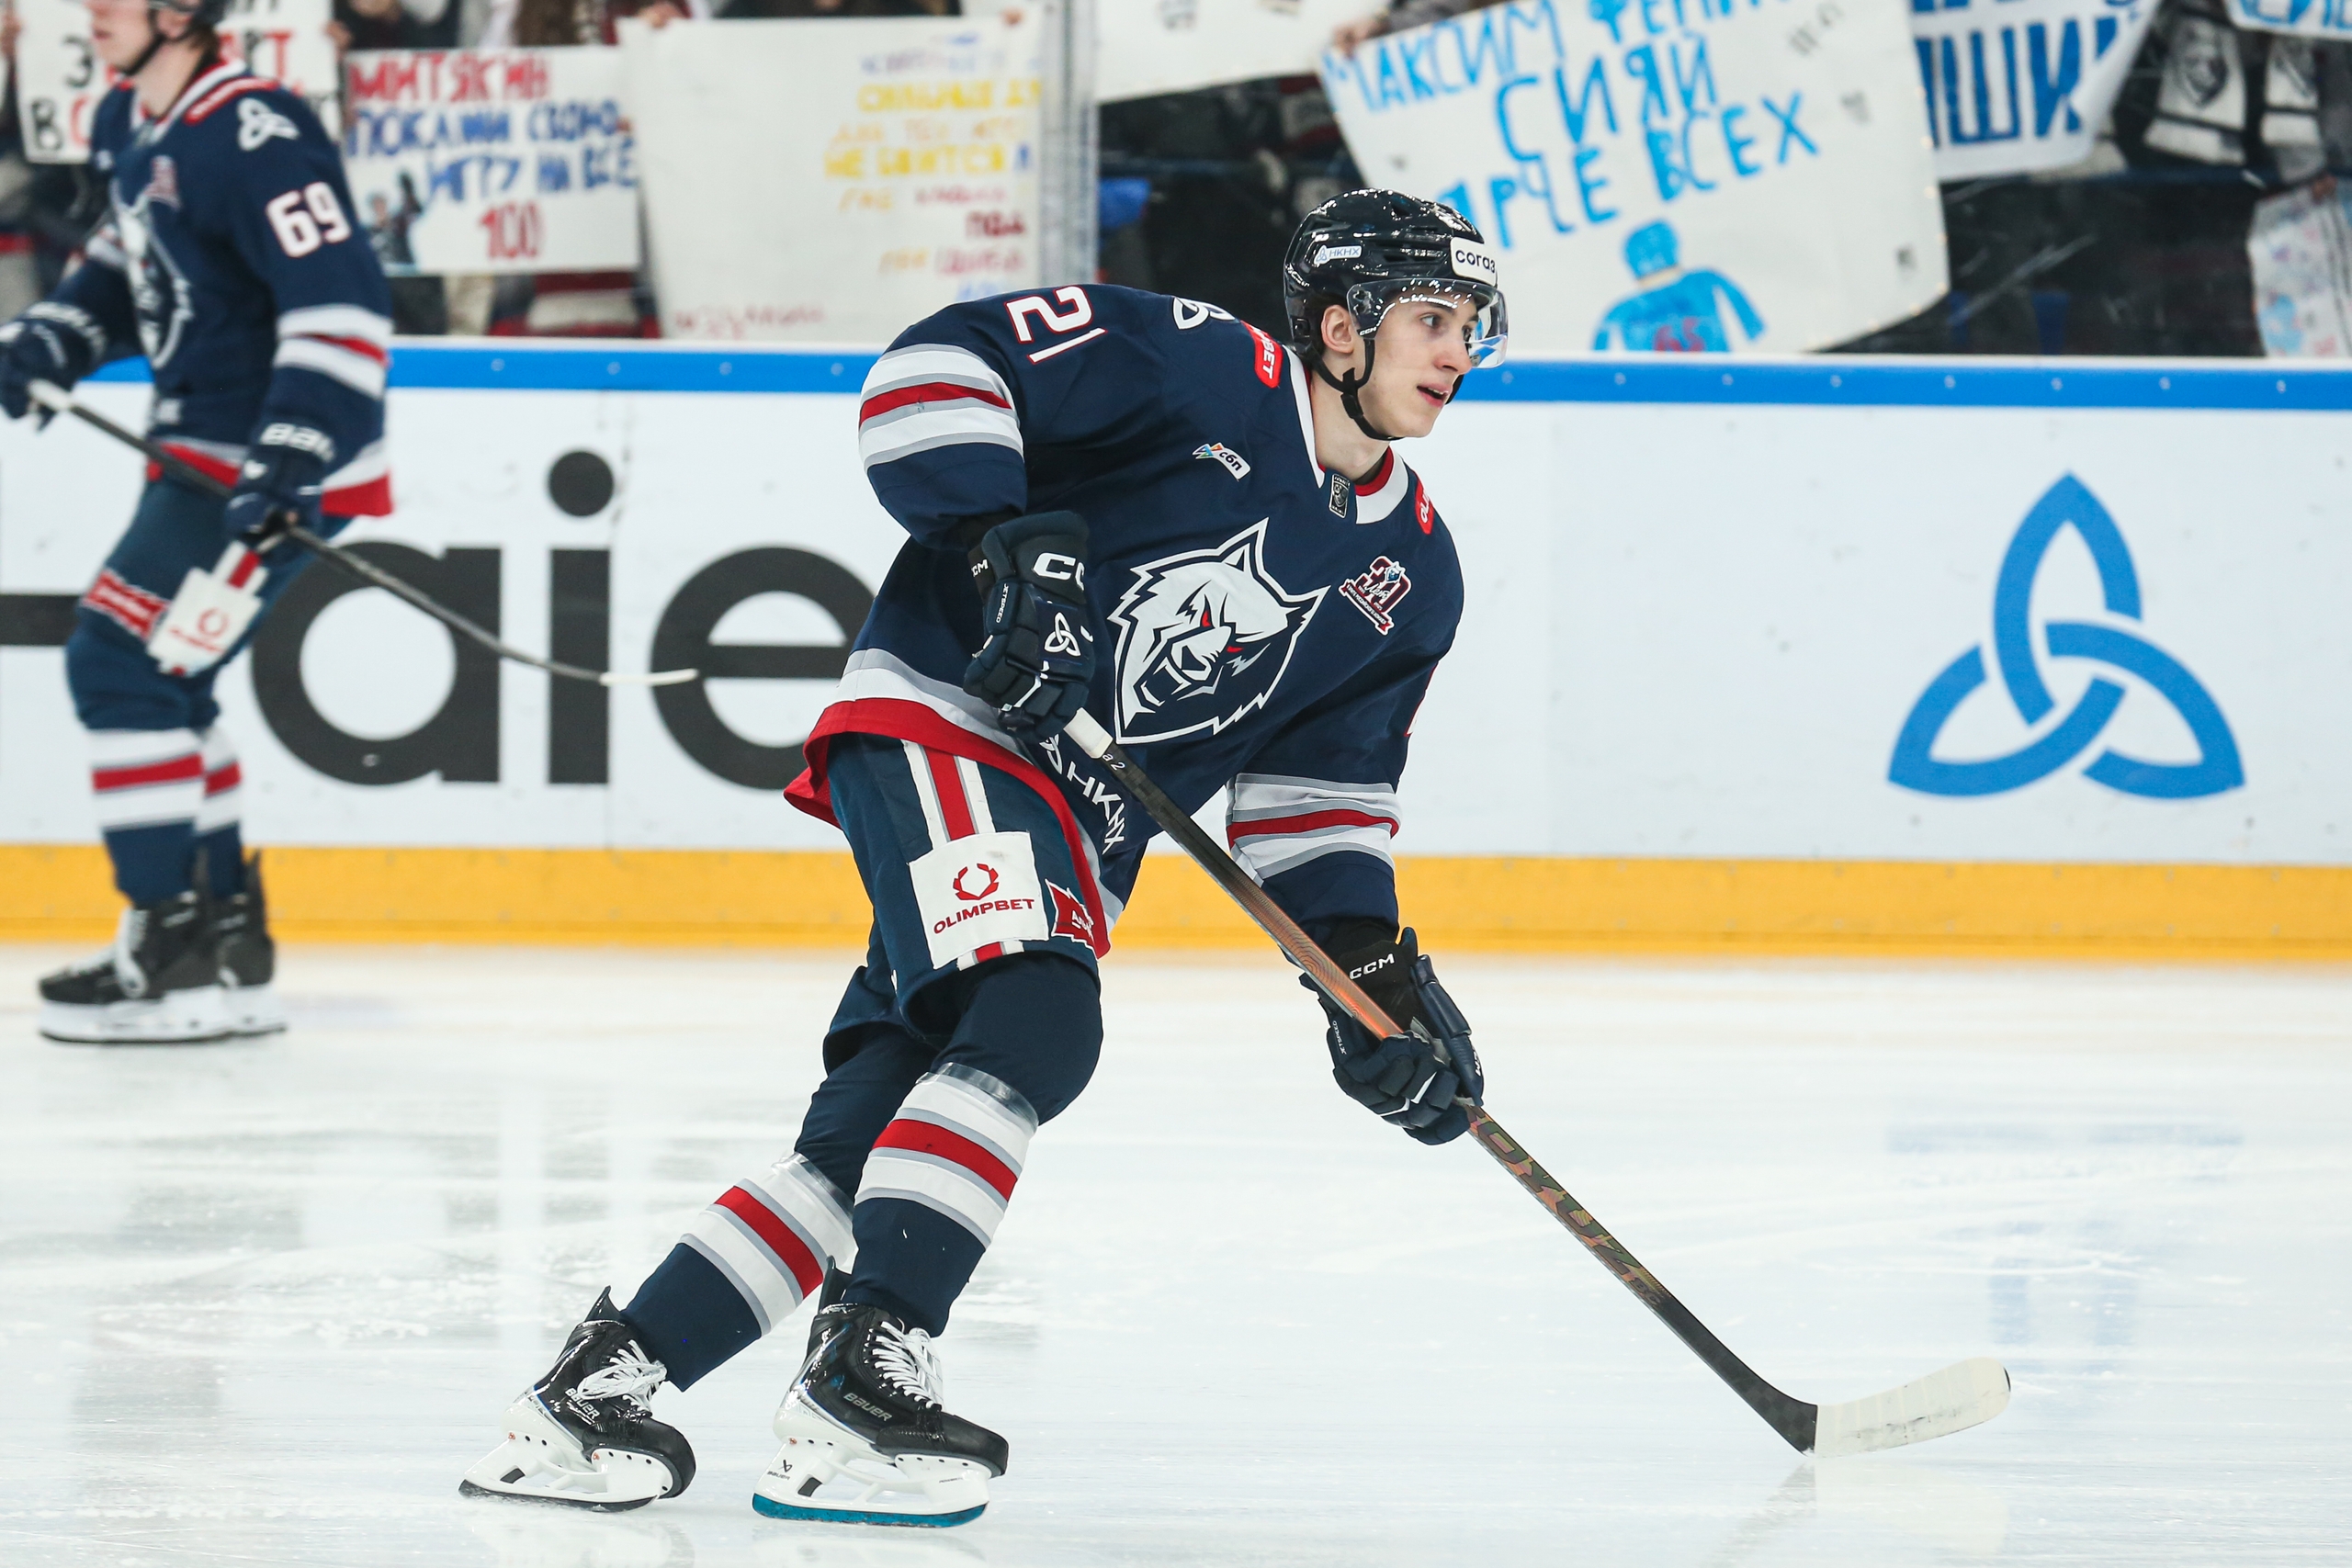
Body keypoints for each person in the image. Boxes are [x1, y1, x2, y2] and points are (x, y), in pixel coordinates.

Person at [460, 190, 1508, 1525]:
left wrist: (1366, 973)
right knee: (1037, 1016)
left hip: (1070, 834)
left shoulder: (1415, 574)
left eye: (1472, 327)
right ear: (1341, 328)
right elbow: (935, 367)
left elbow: (1318, 805)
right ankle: (863, 1375)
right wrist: (999, 539)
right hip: (953, 725)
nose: (1457, 352)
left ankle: (594, 1393)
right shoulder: (1198, 364)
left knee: (866, 1141)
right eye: (1430, 319)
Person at [0, 0, 392, 1043]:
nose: (93, 9)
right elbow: (129, 265)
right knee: (167, 683)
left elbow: (343, 300)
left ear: (180, 13)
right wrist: (50, 336)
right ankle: (225, 949)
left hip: (266, 467)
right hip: (200, 456)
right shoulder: (129, 119)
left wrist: (295, 449)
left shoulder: (257, 129)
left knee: (116, 663)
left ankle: (169, 955)